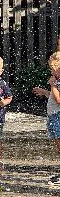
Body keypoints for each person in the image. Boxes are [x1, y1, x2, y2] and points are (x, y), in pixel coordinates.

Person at [32, 51, 60, 189]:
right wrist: (45, 92)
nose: (51, 71)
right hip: (54, 117)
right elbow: (54, 97)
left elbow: (59, 99)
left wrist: (53, 85)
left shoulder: (57, 82)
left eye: (53, 69)